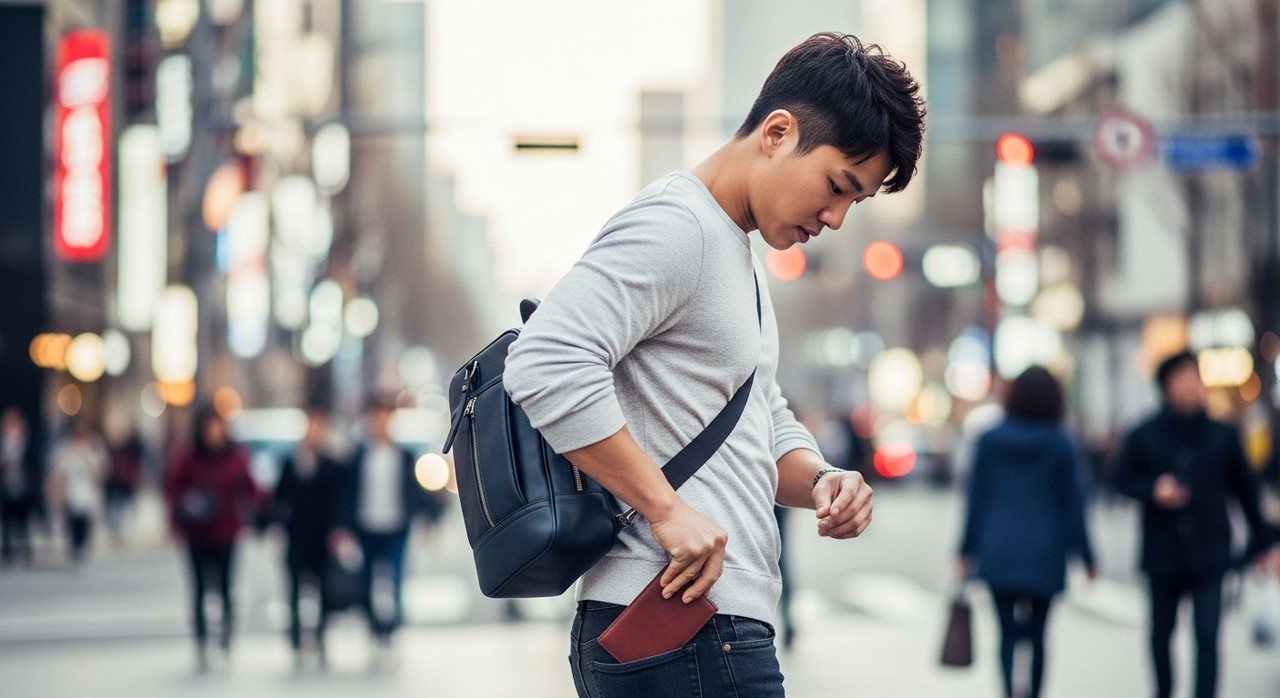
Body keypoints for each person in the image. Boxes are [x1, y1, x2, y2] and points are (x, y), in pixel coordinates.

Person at [502, 32, 924, 696]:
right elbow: (545, 361)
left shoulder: (736, 256)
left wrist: (819, 481)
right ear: (778, 133)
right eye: (838, 186)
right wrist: (665, 509)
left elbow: (759, 414)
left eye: (856, 202)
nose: (838, 218)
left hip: (703, 631)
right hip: (681, 630)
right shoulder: (679, 227)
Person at [1112, 350, 1279, 698]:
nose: (1189, 386)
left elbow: (1246, 491)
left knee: (1207, 634)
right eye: (1180, 379)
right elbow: (1119, 478)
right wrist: (1153, 489)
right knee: (1161, 634)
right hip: (1163, 552)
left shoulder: (1222, 434)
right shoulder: (1145, 433)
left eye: (1194, 377)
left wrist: (1265, 544)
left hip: (1210, 550)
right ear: (1165, 387)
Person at [957, 366, 1096, 698]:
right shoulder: (1061, 442)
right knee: (1039, 635)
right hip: (1046, 550)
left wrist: (965, 550)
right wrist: (1088, 557)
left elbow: (975, 500)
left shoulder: (988, 440)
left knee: (1006, 635)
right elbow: (1074, 504)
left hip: (998, 547)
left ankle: (1007, 691)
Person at [163, 404, 263, 671]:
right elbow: (171, 490)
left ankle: (226, 636)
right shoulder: (188, 457)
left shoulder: (236, 457)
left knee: (227, 588)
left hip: (227, 532)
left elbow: (251, 490)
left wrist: (257, 513)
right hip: (196, 534)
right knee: (197, 589)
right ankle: (201, 639)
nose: (214, 433)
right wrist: (179, 515)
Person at [332, 397, 424, 666]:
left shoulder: (404, 455)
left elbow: (415, 492)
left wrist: (425, 520)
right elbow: (346, 495)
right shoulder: (358, 456)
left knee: (395, 579)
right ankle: (373, 628)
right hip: (366, 527)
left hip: (396, 526)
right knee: (365, 581)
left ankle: (392, 629)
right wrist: (342, 528)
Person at [269, 407, 341, 669]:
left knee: (323, 591)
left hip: (321, 538)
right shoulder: (291, 462)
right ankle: (297, 639)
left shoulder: (331, 463)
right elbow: (279, 497)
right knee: (295, 592)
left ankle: (320, 638)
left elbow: (336, 499)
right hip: (296, 536)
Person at [45, 419, 110, 564]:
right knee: (71, 520)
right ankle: (73, 546)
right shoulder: (65, 448)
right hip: (70, 491)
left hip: (87, 493)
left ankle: (82, 545)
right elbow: (57, 468)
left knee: (85, 521)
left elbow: (101, 469)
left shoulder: (93, 448)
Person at [0, 407, 41, 567]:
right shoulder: (3, 442)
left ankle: (25, 549)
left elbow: (34, 463)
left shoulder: (27, 441)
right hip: (6, 485)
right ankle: (8, 551)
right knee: (7, 521)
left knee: (24, 522)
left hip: (24, 487)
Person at [104, 430, 145, 543]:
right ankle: (116, 530)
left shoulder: (131, 448)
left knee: (125, 507)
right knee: (116, 508)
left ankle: (122, 530)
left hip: (125, 482)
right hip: (115, 483)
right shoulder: (111, 447)